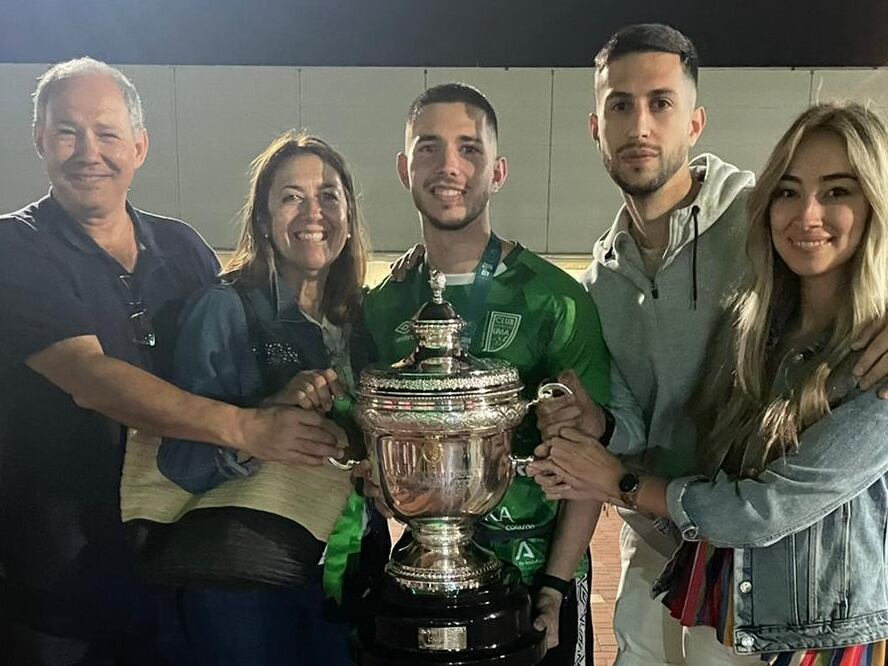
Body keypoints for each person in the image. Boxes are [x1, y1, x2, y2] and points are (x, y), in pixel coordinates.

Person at [545, 24, 888, 666]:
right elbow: (632, 419)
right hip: (658, 543)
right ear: (596, 128)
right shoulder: (599, 281)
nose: (639, 124)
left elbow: (861, 248)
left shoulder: (764, 221)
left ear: (696, 121)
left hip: (771, 563)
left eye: (660, 103)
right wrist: (597, 424)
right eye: (619, 104)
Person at [0, 59, 342, 664]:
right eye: (66, 132)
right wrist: (250, 429)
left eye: (106, 133)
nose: (88, 151)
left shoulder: (182, 247)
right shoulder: (16, 247)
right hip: (63, 581)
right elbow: (90, 378)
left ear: (139, 145)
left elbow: (233, 372)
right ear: (38, 140)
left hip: (181, 564)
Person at [361, 82, 611, 664]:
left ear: (497, 172)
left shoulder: (556, 300)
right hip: (427, 576)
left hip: (537, 576)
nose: (449, 166)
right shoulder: (384, 307)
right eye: (429, 148)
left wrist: (553, 586)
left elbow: (588, 464)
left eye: (470, 149)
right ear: (404, 168)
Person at [120, 130, 384, 666]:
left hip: (344, 573)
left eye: (329, 195)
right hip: (244, 579)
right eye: (292, 196)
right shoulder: (223, 308)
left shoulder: (359, 322)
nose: (314, 212)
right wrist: (261, 423)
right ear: (263, 220)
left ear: (350, 217)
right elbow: (181, 459)